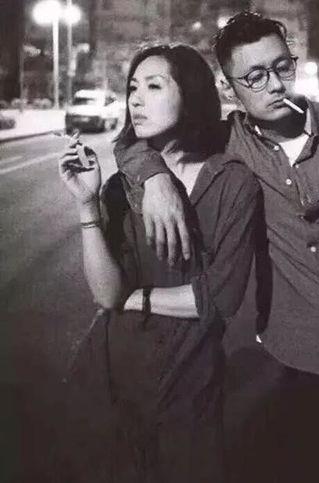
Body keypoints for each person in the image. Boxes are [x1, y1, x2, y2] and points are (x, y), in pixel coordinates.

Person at [114, 12, 319, 483]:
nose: (276, 85)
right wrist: (153, 176)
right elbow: (142, 135)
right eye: (255, 76)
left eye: (282, 67)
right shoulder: (227, 141)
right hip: (293, 353)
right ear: (229, 88)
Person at [57, 43, 260, 483]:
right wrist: (86, 204)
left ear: (191, 94)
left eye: (153, 86)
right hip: (111, 380)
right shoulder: (121, 187)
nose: (136, 100)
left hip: (190, 385)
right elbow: (106, 292)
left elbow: (221, 299)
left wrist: (137, 298)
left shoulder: (232, 183)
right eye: (132, 88)